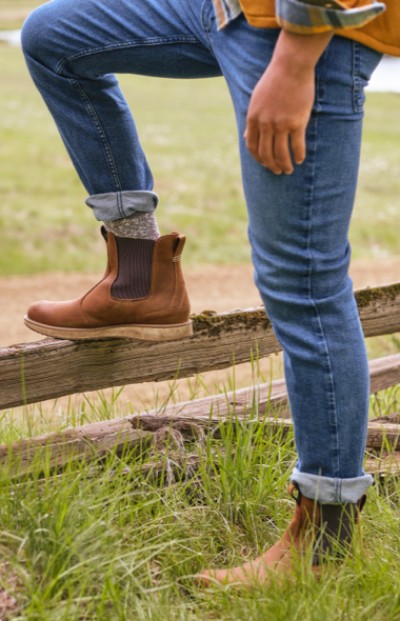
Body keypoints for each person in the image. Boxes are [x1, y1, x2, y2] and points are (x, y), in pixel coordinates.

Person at [21, 0, 398, 586]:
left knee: (304, 283)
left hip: (307, 30)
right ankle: (137, 277)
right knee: (53, 36)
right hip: (227, 9)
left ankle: (326, 541)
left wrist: (297, 60)